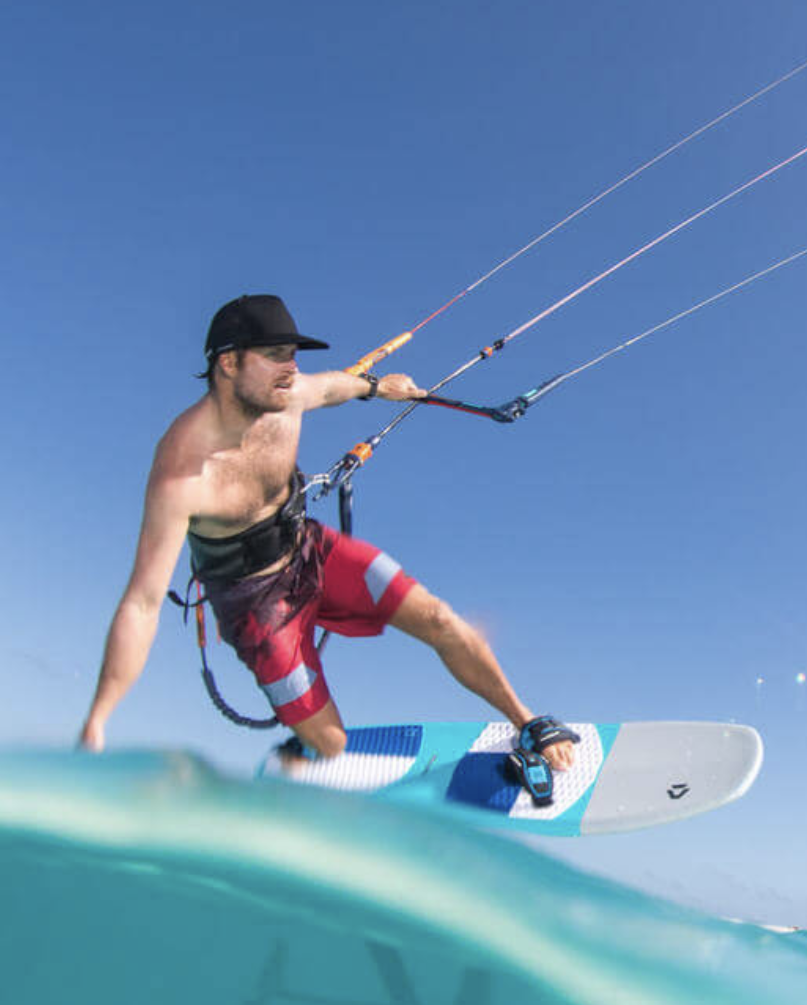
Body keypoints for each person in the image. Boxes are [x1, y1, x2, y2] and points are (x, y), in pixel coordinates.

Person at [78, 294, 575, 771]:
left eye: (292, 356)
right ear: (228, 363)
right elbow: (142, 604)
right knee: (332, 745)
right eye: (275, 357)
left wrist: (380, 386)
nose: (291, 369)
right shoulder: (182, 472)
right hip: (255, 606)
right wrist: (99, 718)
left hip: (310, 551)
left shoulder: (287, 396)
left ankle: (527, 721)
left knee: (440, 619)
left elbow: (337, 385)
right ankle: (310, 749)